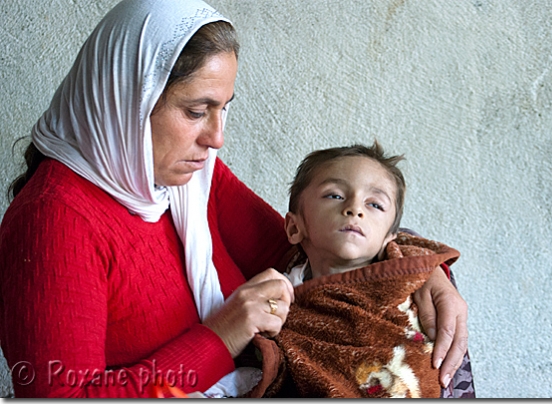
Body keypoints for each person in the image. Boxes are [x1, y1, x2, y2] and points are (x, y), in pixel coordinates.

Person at [0, 0, 468, 398]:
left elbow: (310, 243)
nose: (217, 138)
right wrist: (221, 336)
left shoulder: (188, 177)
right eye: (196, 111)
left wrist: (420, 270)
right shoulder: (54, 222)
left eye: (223, 109)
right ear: (126, 101)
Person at [243, 142, 475, 398]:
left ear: (390, 239)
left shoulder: (409, 278)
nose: (355, 209)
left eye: (375, 204)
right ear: (295, 229)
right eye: (335, 195)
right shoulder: (277, 293)